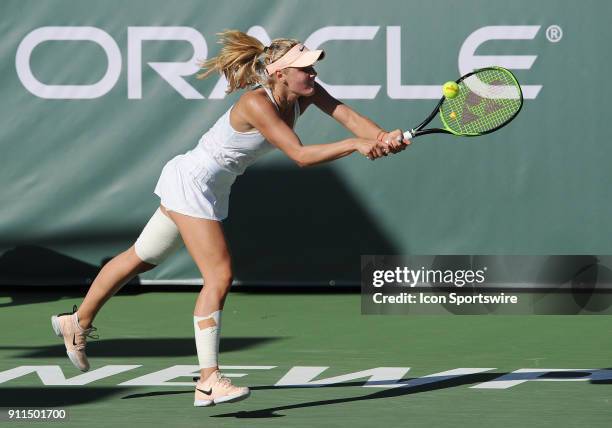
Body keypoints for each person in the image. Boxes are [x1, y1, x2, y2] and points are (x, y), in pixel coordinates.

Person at [50, 30, 409, 407]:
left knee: (141, 255)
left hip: (209, 185)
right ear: (280, 74)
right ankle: (208, 381)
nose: (313, 74)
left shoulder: (306, 93)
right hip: (194, 181)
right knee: (219, 276)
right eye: (304, 68)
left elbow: (347, 115)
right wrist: (357, 145)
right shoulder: (257, 103)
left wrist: (384, 137)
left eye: (313, 67)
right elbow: (300, 156)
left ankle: (78, 322)